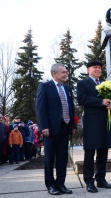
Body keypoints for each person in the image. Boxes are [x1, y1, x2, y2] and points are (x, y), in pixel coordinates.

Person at [36, 63, 76, 195]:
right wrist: (44, 126)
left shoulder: (68, 88)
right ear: (54, 74)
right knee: (49, 159)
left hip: (65, 128)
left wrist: (73, 125)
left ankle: (60, 184)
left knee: (62, 158)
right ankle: (50, 185)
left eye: (66, 72)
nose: (65, 74)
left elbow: (71, 108)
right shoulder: (45, 86)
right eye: (63, 72)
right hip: (50, 130)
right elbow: (40, 108)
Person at [77, 60, 111, 193]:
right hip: (92, 122)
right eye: (95, 67)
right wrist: (101, 102)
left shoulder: (105, 84)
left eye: (99, 67)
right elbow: (81, 99)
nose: (98, 69)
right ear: (88, 70)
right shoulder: (83, 83)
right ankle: (89, 181)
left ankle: (101, 179)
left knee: (103, 152)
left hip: (105, 121)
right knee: (90, 152)